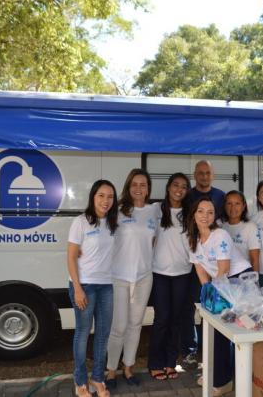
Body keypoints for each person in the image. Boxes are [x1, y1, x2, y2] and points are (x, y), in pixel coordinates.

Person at [187, 196, 252, 396]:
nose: (205, 216)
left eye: (210, 212)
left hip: (237, 283)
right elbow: (200, 271)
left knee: (228, 332)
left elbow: (223, 270)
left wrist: (214, 297)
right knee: (216, 332)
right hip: (219, 286)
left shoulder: (220, 235)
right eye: (200, 211)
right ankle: (219, 375)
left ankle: (224, 381)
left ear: (215, 216)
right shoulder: (192, 239)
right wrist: (208, 295)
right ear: (193, 214)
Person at [67, 180, 119, 397]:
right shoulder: (80, 222)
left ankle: (98, 378)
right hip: (85, 285)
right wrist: (77, 288)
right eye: (101, 196)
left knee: (103, 334)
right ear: (93, 197)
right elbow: (70, 257)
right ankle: (80, 382)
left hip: (106, 285)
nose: (106, 201)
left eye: (110, 197)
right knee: (82, 333)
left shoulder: (113, 223)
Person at [106, 169, 157, 389]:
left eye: (143, 184)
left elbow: (154, 241)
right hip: (119, 276)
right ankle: (110, 371)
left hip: (144, 276)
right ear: (128, 186)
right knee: (118, 327)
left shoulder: (154, 211)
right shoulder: (117, 211)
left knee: (136, 325)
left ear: (148, 188)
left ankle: (128, 368)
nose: (139, 188)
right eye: (134, 184)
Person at [181, 160, 226, 369]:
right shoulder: (188, 196)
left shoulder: (221, 196)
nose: (204, 176)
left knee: (214, 307)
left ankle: (212, 354)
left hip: (215, 262)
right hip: (196, 260)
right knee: (194, 306)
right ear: (195, 175)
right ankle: (192, 350)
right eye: (200, 173)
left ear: (213, 175)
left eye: (207, 173)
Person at [147, 173, 192, 381]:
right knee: (162, 319)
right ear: (168, 187)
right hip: (160, 274)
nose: (179, 190)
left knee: (176, 320)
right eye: (176, 185)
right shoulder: (156, 209)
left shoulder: (190, 212)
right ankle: (155, 363)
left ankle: (170, 362)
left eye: (183, 187)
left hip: (183, 273)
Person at [220, 190, 260, 273]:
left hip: (243, 275)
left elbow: (254, 259)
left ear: (244, 206)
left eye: (237, 204)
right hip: (223, 275)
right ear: (224, 206)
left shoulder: (250, 227)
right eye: (229, 203)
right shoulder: (220, 226)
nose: (233, 208)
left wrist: (254, 281)